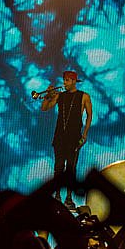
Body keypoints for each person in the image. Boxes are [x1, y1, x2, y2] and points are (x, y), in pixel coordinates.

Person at [41, 70, 92, 209]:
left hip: (74, 137)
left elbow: (89, 115)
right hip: (59, 137)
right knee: (58, 167)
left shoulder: (84, 96)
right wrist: (47, 96)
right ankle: (57, 196)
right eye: (64, 80)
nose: (65, 83)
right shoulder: (60, 95)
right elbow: (44, 108)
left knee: (71, 168)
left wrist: (85, 134)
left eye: (67, 80)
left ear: (74, 81)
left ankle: (69, 198)